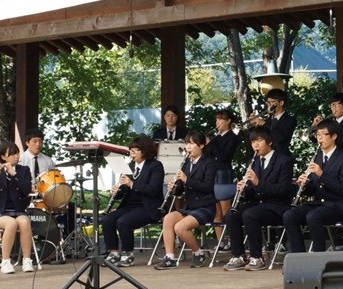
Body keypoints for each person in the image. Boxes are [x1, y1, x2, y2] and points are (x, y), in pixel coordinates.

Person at [223, 128, 295, 270]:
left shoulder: (284, 161)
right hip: (258, 204)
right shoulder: (254, 161)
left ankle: (257, 257)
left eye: (259, 140)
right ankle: (239, 256)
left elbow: (283, 190)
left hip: (277, 206)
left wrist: (257, 182)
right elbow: (252, 192)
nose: (255, 145)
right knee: (231, 214)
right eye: (252, 142)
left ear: (270, 141)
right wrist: (243, 190)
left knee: (250, 214)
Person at [282, 119, 343, 254]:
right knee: (289, 215)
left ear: (334, 136)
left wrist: (321, 174)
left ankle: (318, 256)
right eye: (317, 135)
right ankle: (298, 255)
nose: (319, 138)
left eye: (323, 134)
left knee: (313, 216)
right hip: (319, 204)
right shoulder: (317, 158)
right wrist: (303, 185)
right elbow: (313, 189)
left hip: (338, 205)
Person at [154, 131, 217, 269]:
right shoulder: (186, 163)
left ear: (201, 145)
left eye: (191, 143)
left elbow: (207, 187)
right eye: (186, 143)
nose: (187, 147)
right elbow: (181, 189)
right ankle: (170, 257)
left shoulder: (209, 163)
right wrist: (174, 188)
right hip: (190, 206)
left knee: (180, 227)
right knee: (168, 218)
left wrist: (186, 179)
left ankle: (198, 253)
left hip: (205, 206)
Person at [101, 136, 165, 267]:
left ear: (145, 151)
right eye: (131, 150)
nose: (132, 153)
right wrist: (116, 191)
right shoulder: (129, 166)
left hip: (148, 207)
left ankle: (128, 254)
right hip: (130, 206)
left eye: (135, 150)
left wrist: (132, 184)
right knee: (107, 220)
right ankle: (113, 253)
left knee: (123, 222)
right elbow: (124, 191)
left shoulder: (156, 166)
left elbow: (153, 190)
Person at [0, 141, 36, 274]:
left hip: (19, 210)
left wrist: (14, 174)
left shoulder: (24, 170)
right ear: (3, 157)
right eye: (12, 154)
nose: (16, 156)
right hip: (0, 213)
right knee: (11, 223)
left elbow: (27, 190)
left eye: (17, 153)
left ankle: (27, 260)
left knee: (25, 222)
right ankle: (5, 261)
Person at [205, 108, 241, 236]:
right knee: (216, 211)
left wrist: (210, 143)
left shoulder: (232, 137)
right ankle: (220, 241)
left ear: (228, 121)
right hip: (213, 173)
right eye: (216, 120)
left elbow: (224, 156)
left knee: (226, 211)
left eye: (220, 119)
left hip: (223, 173)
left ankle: (232, 239)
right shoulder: (217, 137)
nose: (217, 123)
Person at [314, 92, 343, 174]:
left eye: (335, 105)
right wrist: (316, 127)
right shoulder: (330, 123)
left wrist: (332, 129)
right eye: (331, 105)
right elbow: (314, 139)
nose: (333, 108)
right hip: (328, 162)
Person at [250, 88, 296, 154]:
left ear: (281, 103)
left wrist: (264, 124)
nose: (269, 105)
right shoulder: (268, 119)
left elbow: (280, 137)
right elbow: (257, 137)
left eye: (273, 102)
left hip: (281, 156)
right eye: (268, 102)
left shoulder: (290, 120)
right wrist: (253, 125)